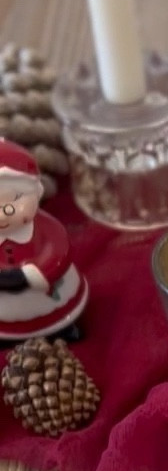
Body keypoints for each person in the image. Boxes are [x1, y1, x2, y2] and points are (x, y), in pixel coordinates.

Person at [0, 139, 88, 343]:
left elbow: (58, 251)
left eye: (15, 198)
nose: (4, 212)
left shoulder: (47, 228)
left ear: (36, 193)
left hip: (48, 296)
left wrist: (34, 273)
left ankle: (62, 329)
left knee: (57, 316)